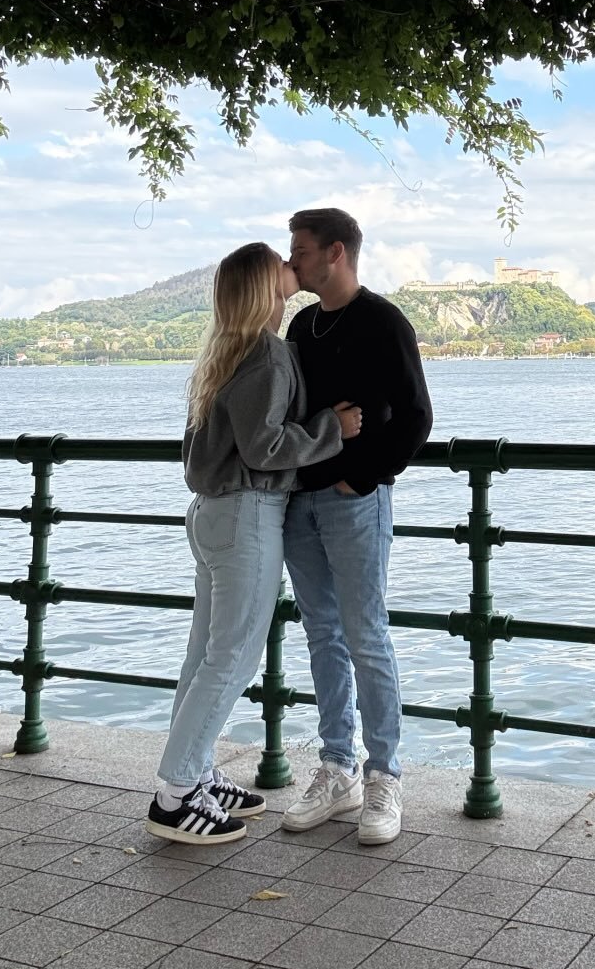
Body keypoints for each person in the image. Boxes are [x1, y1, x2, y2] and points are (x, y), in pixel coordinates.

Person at [146, 241, 362, 845]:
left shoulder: (225, 350)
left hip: (211, 513)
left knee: (205, 654)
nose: (292, 267)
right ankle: (176, 792)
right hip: (248, 513)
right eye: (281, 264)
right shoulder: (267, 352)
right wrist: (333, 428)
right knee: (233, 656)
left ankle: (195, 774)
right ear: (267, 286)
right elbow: (265, 447)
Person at [279, 207, 433, 845]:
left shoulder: (383, 321)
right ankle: (337, 767)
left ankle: (384, 775)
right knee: (322, 634)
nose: (292, 261)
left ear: (336, 252)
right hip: (298, 502)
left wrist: (362, 476)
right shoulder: (300, 326)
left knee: (366, 636)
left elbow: (417, 417)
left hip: (353, 502)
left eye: (301, 250)